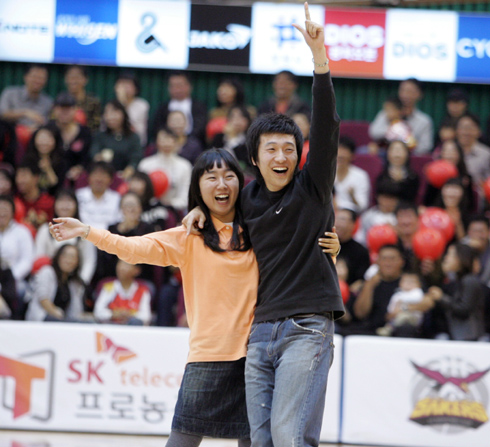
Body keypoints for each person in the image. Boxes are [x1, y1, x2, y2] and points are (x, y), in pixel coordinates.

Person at [51, 147, 339, 447]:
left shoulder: (259, 230)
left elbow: (300, 251)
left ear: (240, 184)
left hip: (256, 356)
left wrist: (333, 250)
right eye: (211, 177)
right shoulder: (188, 236)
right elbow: (132, 248)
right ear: (198, 188)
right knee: (181, 441)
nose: (221, 184)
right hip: (207, 356)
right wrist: (87, 231)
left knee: (254, 443)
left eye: (228, 176)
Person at [183, 6, 344, 446]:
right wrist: (196, 210)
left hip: (308, 326)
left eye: (289, 148)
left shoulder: (313, 187)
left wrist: (320, 60)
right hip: (258, 332)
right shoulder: (246, 199)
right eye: (271, 149)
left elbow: (326, 128)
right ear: (254, 158)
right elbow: (215, 206)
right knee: (261, 440)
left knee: (289, 436)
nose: (281, 156)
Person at [425, 243, 485, 341]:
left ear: (461, 258)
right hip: (459, 335)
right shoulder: (456, 280)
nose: (446, 258)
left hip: (469, 337)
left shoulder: (469, 280)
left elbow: (463, 309)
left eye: (450, 254)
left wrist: (441, 298)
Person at [35, 188, 96, 285]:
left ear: (76, 205)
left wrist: (81, 284)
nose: (65, 206)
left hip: (75, 282)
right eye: (61, 201)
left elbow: (89, 262)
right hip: (49, 281)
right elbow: (39, 258)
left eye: (69, 201)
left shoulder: (84, 231)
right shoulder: (45, 230)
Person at [369, 78, 434, 154]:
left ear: (419, 94)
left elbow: (426, 146)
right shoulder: (386, 113)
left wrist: (404, 148)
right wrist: (394, 130)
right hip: (385, 153)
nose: (405, 95)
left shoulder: (424, 121)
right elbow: (374, 132)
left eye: (409, 91)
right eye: (402, 90)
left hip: (410, 155)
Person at [352, 244, 405, 335]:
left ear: (402, 262)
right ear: (377, 261)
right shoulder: (369, 282)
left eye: (392, 259)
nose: (388, 263)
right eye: (384, 259)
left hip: (399, 332)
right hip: (369, 332)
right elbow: (360, 314)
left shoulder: (409, 282)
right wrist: (369, 286)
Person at [25, 244, 86, 322]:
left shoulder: (75, 283)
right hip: (44, 317)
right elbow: (43, 299)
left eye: (72, 257)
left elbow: (76, 311)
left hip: (65, 321)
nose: (68, 260)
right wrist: (57, 314)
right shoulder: (47, 272)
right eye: (65, 256)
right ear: (58, 256)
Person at [138, 127, 192, 215]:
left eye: (170, 139)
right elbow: (140, 192)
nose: (167, 143)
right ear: (156, 142)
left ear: (177, 142)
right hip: (148, 211)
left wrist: (169, 204)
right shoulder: (145, 164)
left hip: (174, 213)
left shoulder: (185, 166)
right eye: (163, 139)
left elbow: (186, 197)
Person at [0, 195, 34, 319]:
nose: (2, 213)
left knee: (20, 291)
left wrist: (11, 277)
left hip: (15, 278)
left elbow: (26, 260)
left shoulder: (22, 232)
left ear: (13, 212)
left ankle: (14, 320)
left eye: (5, 209)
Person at [152, 71, 208, 145]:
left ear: (189, 86)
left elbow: (200, 129)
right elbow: (157, 129)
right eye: (173, 86)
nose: (177, 89)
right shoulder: (162, 108)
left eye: (179, 85)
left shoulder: (199, 107)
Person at [90, 100, 143, 178]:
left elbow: (136, 158)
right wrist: (99, 158)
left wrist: (129, 171)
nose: (110, 117)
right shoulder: (100, 136)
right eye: (107, 113)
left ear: (123, 114)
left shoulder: (133, 137)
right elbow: (94, 153)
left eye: (114, 112)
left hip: (126, 177)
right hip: (103, 177)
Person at [93, 259, 152, 326]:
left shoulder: (142, 291)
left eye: (126, 265)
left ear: (137, 270)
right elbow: (98, 312)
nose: (121, 268)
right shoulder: (109, 288)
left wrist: (129, 314)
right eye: (120, 264)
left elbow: (146, 317)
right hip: (111, 327)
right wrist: (113, 314)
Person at [50, 92, 92, 183]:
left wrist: (80, 168)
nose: (64, 112)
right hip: (50, 179)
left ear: (76, 110)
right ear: (54, 109)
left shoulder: (85, 133)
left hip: (77, 181)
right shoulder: (47, 130)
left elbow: (88, 157)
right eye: (61, 108)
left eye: (68, 108)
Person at [0, 64, 53, 130]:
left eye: (41, 78)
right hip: (10, 132)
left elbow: (48, 122)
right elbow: (2, 114)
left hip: (35, 133)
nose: (38, 81)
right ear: (25, 77)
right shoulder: (10, 93)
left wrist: (37, 127)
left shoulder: (48, 102)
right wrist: (25, 113)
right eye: (34, 77)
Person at [376, 271, 425, 337]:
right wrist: (393, 312)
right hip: (397, 317)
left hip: (413, 318)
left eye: (412, 282)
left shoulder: (417, 292)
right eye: (406, 281)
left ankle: (389, 329)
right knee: (395, 320)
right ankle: (387, 329)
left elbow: (416, 298)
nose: (408, 283)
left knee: (403, 317)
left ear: (419, 285)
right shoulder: (397, 294)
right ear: (400, 283)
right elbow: (391, 308)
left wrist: (401, 304)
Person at [75, 161, 121, 230]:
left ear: (111, 179)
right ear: (88, 177)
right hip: (81, 234)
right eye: (95, 174)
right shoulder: (78, 196)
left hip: (109, 235)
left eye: (103, 175)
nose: (99, 179)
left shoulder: (118, 199)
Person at [22, 125, 66, 194]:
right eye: (41, 138)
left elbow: (58, 187)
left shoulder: (61, 160)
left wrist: (48, 169)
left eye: (48, 138)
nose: (44, 142)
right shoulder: (27, 159)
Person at [375, 140, 420, 204]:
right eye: (393, 150)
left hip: (406, 208)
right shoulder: (381, 176)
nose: (397, 153)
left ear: (407, 154)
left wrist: (402, 182)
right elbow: (379, 195)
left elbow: (411, 197)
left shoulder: (413, 177)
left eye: (400, 150)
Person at [334, 135, 371, 213]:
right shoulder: (327, 174)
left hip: (351, 214)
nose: (340, 154)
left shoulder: (361, 176)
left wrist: (352, 196)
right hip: (329, 213)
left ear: (352, 156)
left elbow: (362, 206)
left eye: (344, 151)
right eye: (338, 149)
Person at [15, 161, 55, 230]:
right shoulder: (15, 202)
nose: (19, 180)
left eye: (23, 176)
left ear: (36, 178)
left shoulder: (49, 202)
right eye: (17, 176)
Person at [114, 72, 150, 147]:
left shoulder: (142, 105)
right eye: (121, 84)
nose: (124, 88)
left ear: (136, 89)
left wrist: (123, 102)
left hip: (133, 145)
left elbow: (133, 127)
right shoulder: (111, 105)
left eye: (128, 84)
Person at [455, 113, 490, 187]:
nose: (465, 132)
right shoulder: (447, 150)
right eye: (462, 128)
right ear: (457, 130)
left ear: (478, 131)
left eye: (470, 128)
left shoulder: (486, 154)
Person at [64, 65, 102, 134]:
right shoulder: (61, 100)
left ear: (85, 80)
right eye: (70, 77)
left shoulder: (93, 102)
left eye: (77, 77)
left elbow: (96, 127)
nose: (73, 80)